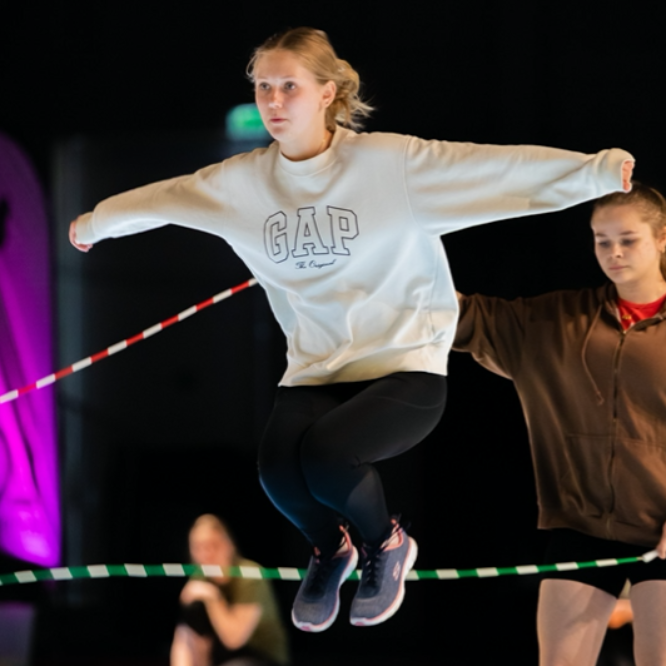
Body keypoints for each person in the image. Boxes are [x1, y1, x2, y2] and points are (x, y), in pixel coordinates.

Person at [69, 26, 634, 632]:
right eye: (264, 88)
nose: (274, 101)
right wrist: (98, 222)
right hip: (317, 368)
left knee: (329, 456)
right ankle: (330, 549)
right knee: (278, 470)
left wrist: (595, 173)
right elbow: (169, 198)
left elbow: (494, 171)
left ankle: (386, 544)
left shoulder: (389, 165)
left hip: (405, 366)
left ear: (327, 93)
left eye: (290, 86)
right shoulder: (241, 184)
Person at [453, 182, 666, 665]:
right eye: (600, 239)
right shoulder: (559, 321)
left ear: (661, 239)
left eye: (627, 239)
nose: (613, 252)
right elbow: (461, 317)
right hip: (582, 524)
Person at [170, 514, 289, 666]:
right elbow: (185, 638)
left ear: (229, 545)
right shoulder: (199, 579)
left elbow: (234, 639)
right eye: (198, 547)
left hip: (261, 656)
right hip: (221, 659)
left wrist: (212, 597)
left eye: (213, 545)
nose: (206, 554)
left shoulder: (250, 575)